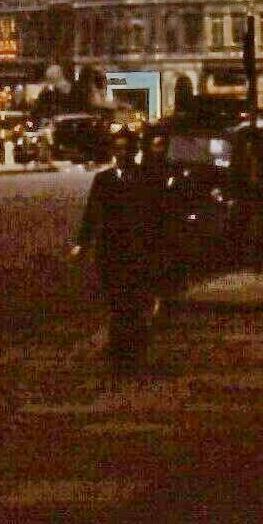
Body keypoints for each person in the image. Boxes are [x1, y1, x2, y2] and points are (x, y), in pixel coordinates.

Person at [72, 128, 168, 373]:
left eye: (126, 148)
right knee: (116, 301)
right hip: (111, 248)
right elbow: (92, 214)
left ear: (134, 151)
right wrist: (82, 243)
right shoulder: (104, 180)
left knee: (134, 301)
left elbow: (155, 214)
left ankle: (134, 347)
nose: (121, 153)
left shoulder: (145, 178)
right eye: (118, 148)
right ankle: (119, 348)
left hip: (136, 248)